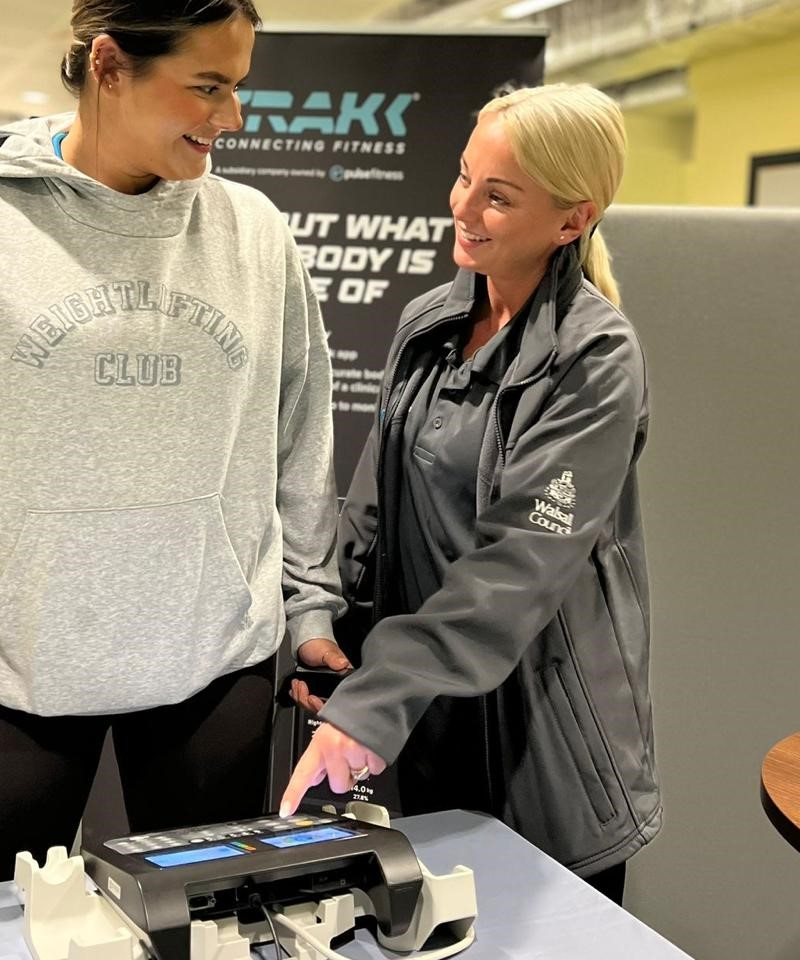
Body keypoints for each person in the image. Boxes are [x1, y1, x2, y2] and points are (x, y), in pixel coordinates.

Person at [0, 0, 344, 892]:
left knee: (209, 938)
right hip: (11, 675)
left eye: (238, 87)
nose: (233, 118)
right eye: (207, 86)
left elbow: (298, 443)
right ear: (109, 65)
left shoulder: (256, 231)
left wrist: (310, 612)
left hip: (217, 667)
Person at [282, 83, 658, 906]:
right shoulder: (428, 325)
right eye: (463, 179)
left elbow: (519, 563)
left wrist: (377, 700)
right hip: (427, 723)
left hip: (542, 744)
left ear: (571, 219)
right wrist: (336, 634)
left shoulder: (596, 358)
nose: (464, 207)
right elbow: (372, 508)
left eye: (498, 196)